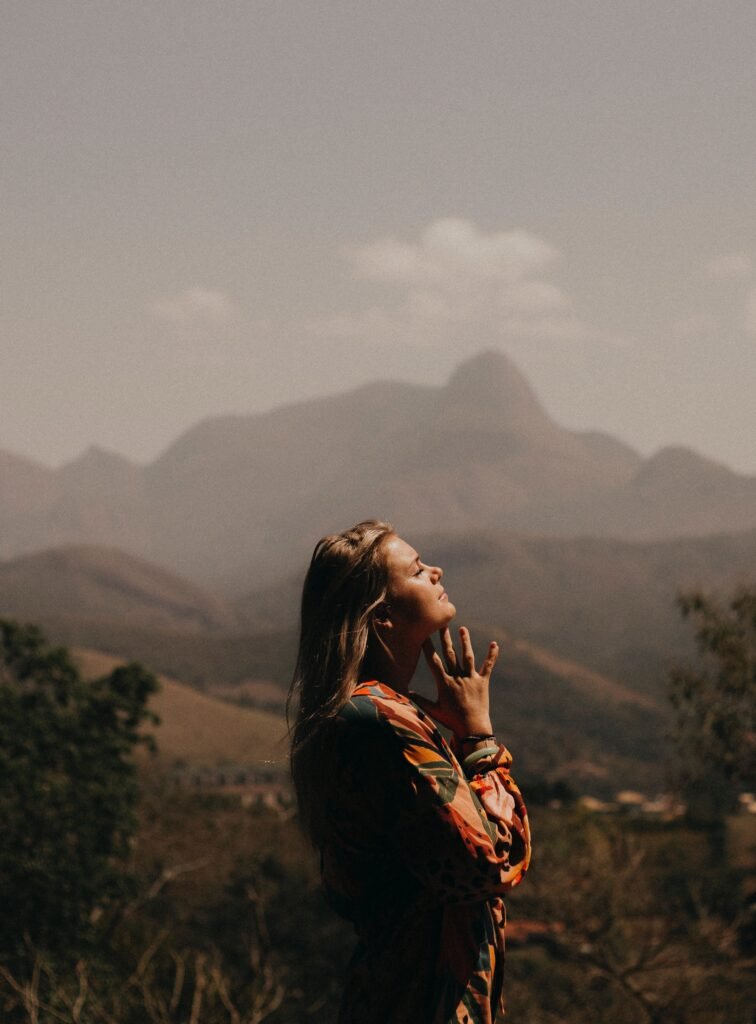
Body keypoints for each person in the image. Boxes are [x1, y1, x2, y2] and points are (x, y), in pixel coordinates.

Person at [288, 520, 531, 1024]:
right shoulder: (378, 721)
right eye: (418, 571)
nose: (437, 570)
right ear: (381, 618)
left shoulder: (385, 715)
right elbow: (490, 862)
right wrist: (481, 741)